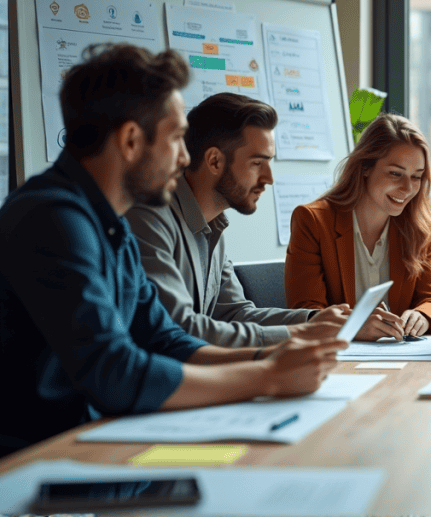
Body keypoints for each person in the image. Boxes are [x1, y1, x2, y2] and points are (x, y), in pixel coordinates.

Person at [0, 44, 346, 456]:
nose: (185, 157)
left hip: (91, 443)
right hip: (33, 461)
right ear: (131, 140)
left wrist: (273, 355)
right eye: (178, 137)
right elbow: (114, 371)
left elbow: (166, 339)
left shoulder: (109, 223)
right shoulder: (53, 218)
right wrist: (268, 376)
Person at [125, 93, 350, 347]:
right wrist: (297, 335)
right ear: (215, 161)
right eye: (257, 163)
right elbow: (179, 328)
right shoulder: (150, 218)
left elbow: (235, 314)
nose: (268, 178)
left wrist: (316, 320)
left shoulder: (213, 225)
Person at [285, 113, 431, 340]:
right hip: (334, 360)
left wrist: (422, 316)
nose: (407, 188)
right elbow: (306, 313)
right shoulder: (312, 221)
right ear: (365, 167)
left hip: (400, 359)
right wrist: (354, 328)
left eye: (416, 177)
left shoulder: (419, 229)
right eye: (395, 174)